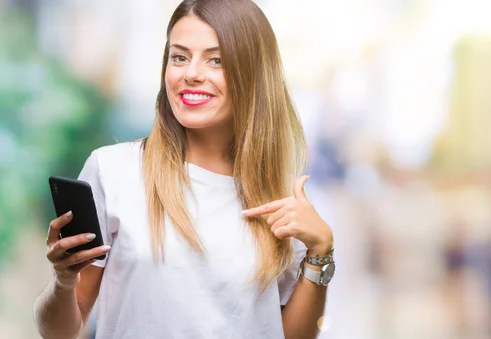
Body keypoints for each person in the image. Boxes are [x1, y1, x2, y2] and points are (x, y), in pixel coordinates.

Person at [32, 0, 335, 338]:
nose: (191, 73)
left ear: (252, 73)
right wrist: (63, 278)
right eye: (179, 56)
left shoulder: (277, 197)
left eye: (215, 60)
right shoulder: (113, 171)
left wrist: (319, 253)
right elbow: (59, 332)